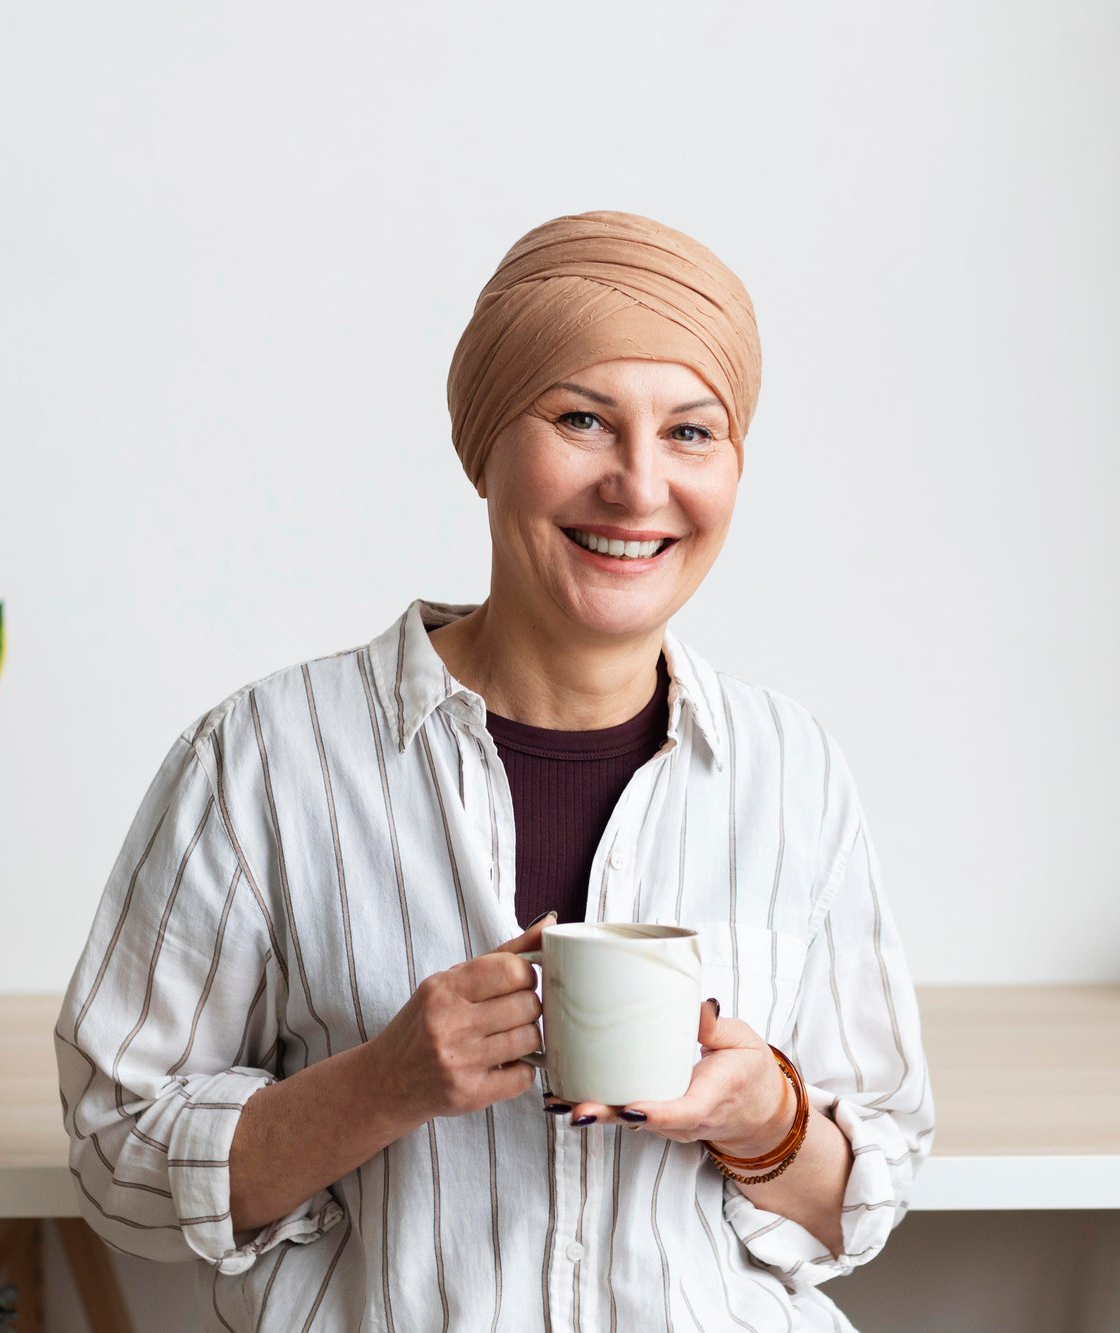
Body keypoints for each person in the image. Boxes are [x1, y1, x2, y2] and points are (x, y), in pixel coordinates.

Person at [54, 208, 934, 1332]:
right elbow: (115, 1157)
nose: (636, 485)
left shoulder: (791, 771)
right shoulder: (262, 758)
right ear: (482, 446)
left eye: (690, 433)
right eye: (580, 419)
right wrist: (377, 1086)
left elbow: (867, 1185)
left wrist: (765, 1114)